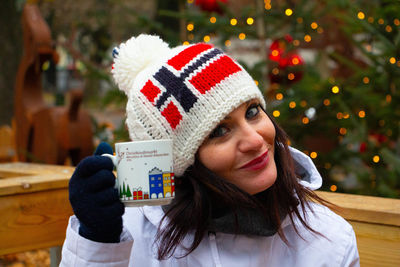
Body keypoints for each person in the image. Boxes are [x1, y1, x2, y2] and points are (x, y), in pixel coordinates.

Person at [60, 34, 360, 266]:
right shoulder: (131, 232)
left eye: (253, 112)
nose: (255, 141)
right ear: (181, 162)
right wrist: (97, 245)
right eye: (219, 131)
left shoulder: (328, 241)